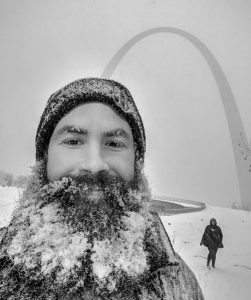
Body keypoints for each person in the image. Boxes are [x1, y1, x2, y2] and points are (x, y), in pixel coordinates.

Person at [0, 78, 204, 299]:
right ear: (45, 160)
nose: (94, 164)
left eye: (114, 144)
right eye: (73, 141)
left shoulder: (180, 285)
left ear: (136, 165)